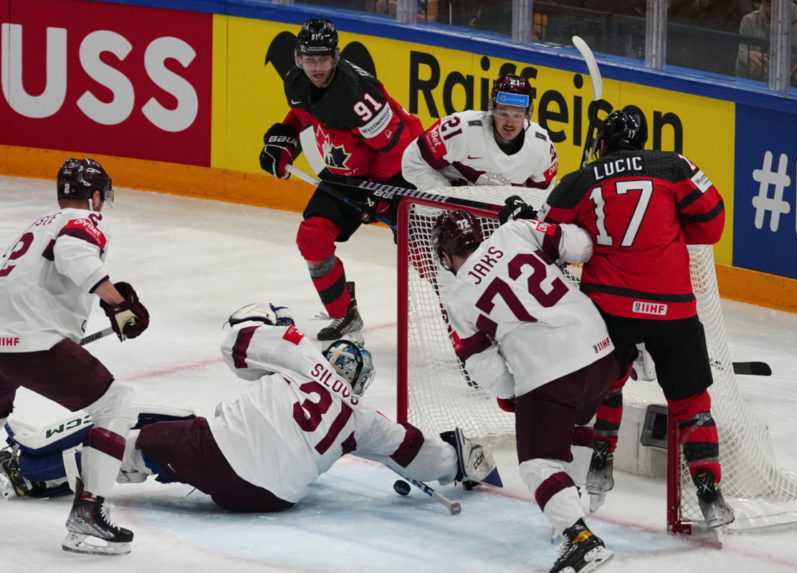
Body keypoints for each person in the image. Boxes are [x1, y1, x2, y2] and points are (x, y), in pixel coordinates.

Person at [1, 302, 501, 514]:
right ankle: (55, 466)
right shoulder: (364, 421)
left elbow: (236, 340)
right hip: (271, 500)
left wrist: (275, 320)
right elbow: (418, 453)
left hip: (218, 456)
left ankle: (36, 471)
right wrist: (460, 460)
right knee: (173, 430)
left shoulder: (304, 357)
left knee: (129, 439)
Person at [538, 110, 734, 529]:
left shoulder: (581, 179)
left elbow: (548, 237)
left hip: (609, 306)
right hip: (672, 305)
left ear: (604, 140)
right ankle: (709, 490)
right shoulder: (674, 165)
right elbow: (713, 225)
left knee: (606, 387)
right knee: (692, 401)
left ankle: (600, 462)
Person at [432, 210, 619, 573]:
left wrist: (511, 394)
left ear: (444, 256)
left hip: (550, 370)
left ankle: (580, 539)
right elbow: (581, 246)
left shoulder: (457, 297)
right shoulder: (513, 231)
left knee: (536, 464)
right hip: (600, 348)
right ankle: (571, 503)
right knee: (579, 422)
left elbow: (482, 364)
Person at [0, 158, 150, 555]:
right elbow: (72, 254)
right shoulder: (84, 222)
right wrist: (117, 304)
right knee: (118, 403)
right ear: (96, 196)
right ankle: (88, 515)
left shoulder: (36, 225)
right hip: (34, 342)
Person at [259, 18, 423, 341]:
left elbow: (396, 148)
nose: (316, 67)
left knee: (425, 252)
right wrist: (286, 142)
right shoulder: (295, 82)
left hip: (400, 172)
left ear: (335, 57)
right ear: (298, 58)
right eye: (309, 58)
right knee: (312, 238)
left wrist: (376, 192)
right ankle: (344, 314)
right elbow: (305, 113)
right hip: (348, 177)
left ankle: (468, 333)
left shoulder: (358, 95)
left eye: (322, 58)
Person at [401, 74, 557, 192]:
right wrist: (446, 200)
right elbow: (413, 160)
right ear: (492, 108)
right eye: (503, 113)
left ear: (528, 113)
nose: (510, 123)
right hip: (442, 214)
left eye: (517, 115)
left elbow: (543, 196)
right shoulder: (461, 129)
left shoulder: (541, 146)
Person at [736, 0, 797, 80]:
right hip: (754, 86)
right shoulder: (749, 21)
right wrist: (743, 58)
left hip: (793, 90)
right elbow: (738, 71)